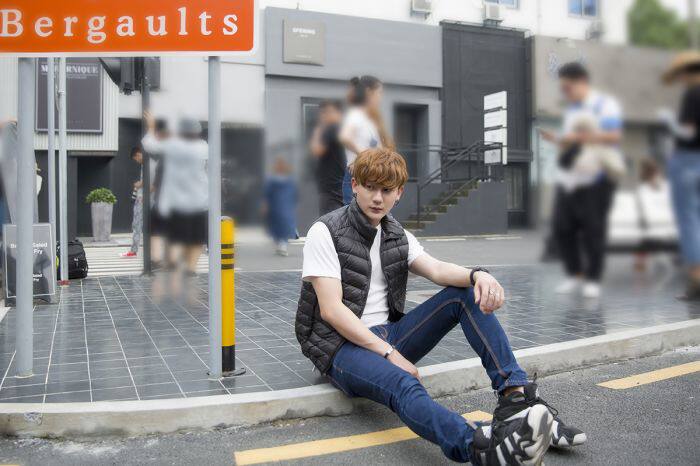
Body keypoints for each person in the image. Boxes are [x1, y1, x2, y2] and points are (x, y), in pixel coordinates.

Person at [296, 148, 585, 465]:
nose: (377, 198)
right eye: (370, 187)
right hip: (340, 347)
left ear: (399, 193)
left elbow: (435, 269)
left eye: (386, 190)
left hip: (390, 334)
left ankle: (515, 400)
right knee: (403, 383)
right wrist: (390, 354)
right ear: (355, 185)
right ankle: (479, 448)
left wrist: (478, 275)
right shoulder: (326, 231)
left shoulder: (396, 234)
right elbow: (332, 311)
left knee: (464, 294)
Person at [540, 62, 624, 299]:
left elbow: (613, 136)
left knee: (593, 230)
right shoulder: (572, 111)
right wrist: (559, 140)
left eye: (568, 87)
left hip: (596, 178)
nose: (565, 92)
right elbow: (571, 143)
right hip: (570, 179)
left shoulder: (604, 104)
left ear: (582, 82)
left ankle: (593, 279)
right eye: (563, 88)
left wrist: (577, 137)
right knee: (562, 228)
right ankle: (574, 274)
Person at [142, 111, 208, 276]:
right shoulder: (203, 147)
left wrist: (151, 127)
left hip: (176, 201)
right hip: (199, 200)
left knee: (176, 234)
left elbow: (149, 144)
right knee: (197, 237)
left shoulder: (173, 145)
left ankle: (170, 261)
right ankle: (190, 268)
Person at [661, 51, 700, 300]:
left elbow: (687, 133)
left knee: (688, 220)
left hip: (687, 160)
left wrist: (669, 122)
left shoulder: (692, 93)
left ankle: (697, 279)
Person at [339, 75, 395, 205]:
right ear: (369, 92)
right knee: (355, 214)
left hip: (372, 174)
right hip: (359, 174)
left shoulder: (371, 118)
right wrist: (363, 156)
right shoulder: (356, 114)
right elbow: (345, 137)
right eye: (379, 92)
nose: (380, 97)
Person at [310, 100, 346, 215]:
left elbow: (317, 150)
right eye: (323, 112)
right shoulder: (339, 129)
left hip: (331, 186)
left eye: (329, 112)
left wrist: (318, 130)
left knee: (329, 220)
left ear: (339, 113)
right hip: (336, 184)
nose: (324, 115)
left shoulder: (332, 128)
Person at [263, 157, 297, 256]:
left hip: (286, 206)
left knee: (285, 225)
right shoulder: (272, 181)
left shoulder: (289, 181)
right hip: (275, 206)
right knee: (276, 226)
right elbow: (267, 194)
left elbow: (295, 194)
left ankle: (283, 245)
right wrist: (265, 205)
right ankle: (279, 244)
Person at [121, 147, 147, 258]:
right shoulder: (148, 164)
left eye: (136, 158)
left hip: (143, 199)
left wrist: (139, 184)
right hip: (144, 197)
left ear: (138, 154)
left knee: (136, 224)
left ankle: (134, 250)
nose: (137, 161)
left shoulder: (147, 164)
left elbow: (150, 180)